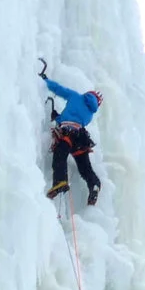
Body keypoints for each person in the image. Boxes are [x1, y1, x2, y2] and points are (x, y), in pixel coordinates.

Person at [43, 71, 104, 205]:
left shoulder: (76, 96)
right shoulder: (90, 114)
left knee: (60, 154)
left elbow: (59, 89)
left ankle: (60, 181)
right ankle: (94, 184)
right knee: (85, 168)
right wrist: (59, 117)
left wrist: (45, 80)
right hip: (81, 139)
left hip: (68, 133)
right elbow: (75, 119)